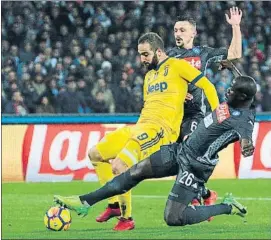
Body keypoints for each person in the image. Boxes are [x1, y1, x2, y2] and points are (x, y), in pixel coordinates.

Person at [54, 75, 256, 227]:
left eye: (232, 90)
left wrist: (246, 145)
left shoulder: (243, 120)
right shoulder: (237, 100)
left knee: (173, 218)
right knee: (135, 171)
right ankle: (85, 201)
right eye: (230, 88)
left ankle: (227, 206)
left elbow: (246, 137)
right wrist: (231, 68)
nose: (227, 91)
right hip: (181, 150)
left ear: (243, 96)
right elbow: (242, 86)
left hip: (196, 166)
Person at [85, 32, 219, 231]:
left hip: (160, 131)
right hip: (140, 127)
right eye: (140, 55)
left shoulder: (178, 65)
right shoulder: (149, 76)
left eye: (145, 54)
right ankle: (113, 205)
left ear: (158, 51)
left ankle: (126, 219)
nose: (142, 59)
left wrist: (215, 119)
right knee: (95, 153)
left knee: (119, 165)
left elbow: (208, 86)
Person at [164, 7, 243, 212]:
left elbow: (234, 54)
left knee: (189, 153)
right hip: (173, 116)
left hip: (195, 115)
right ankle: (206, 194)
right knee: (177, 160)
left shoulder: (203, 53)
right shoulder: (168, 56)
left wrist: (235, 26)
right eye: (175, 30)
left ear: (193, 33)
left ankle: (191, 198)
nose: (177, 34)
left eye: (182, 30)